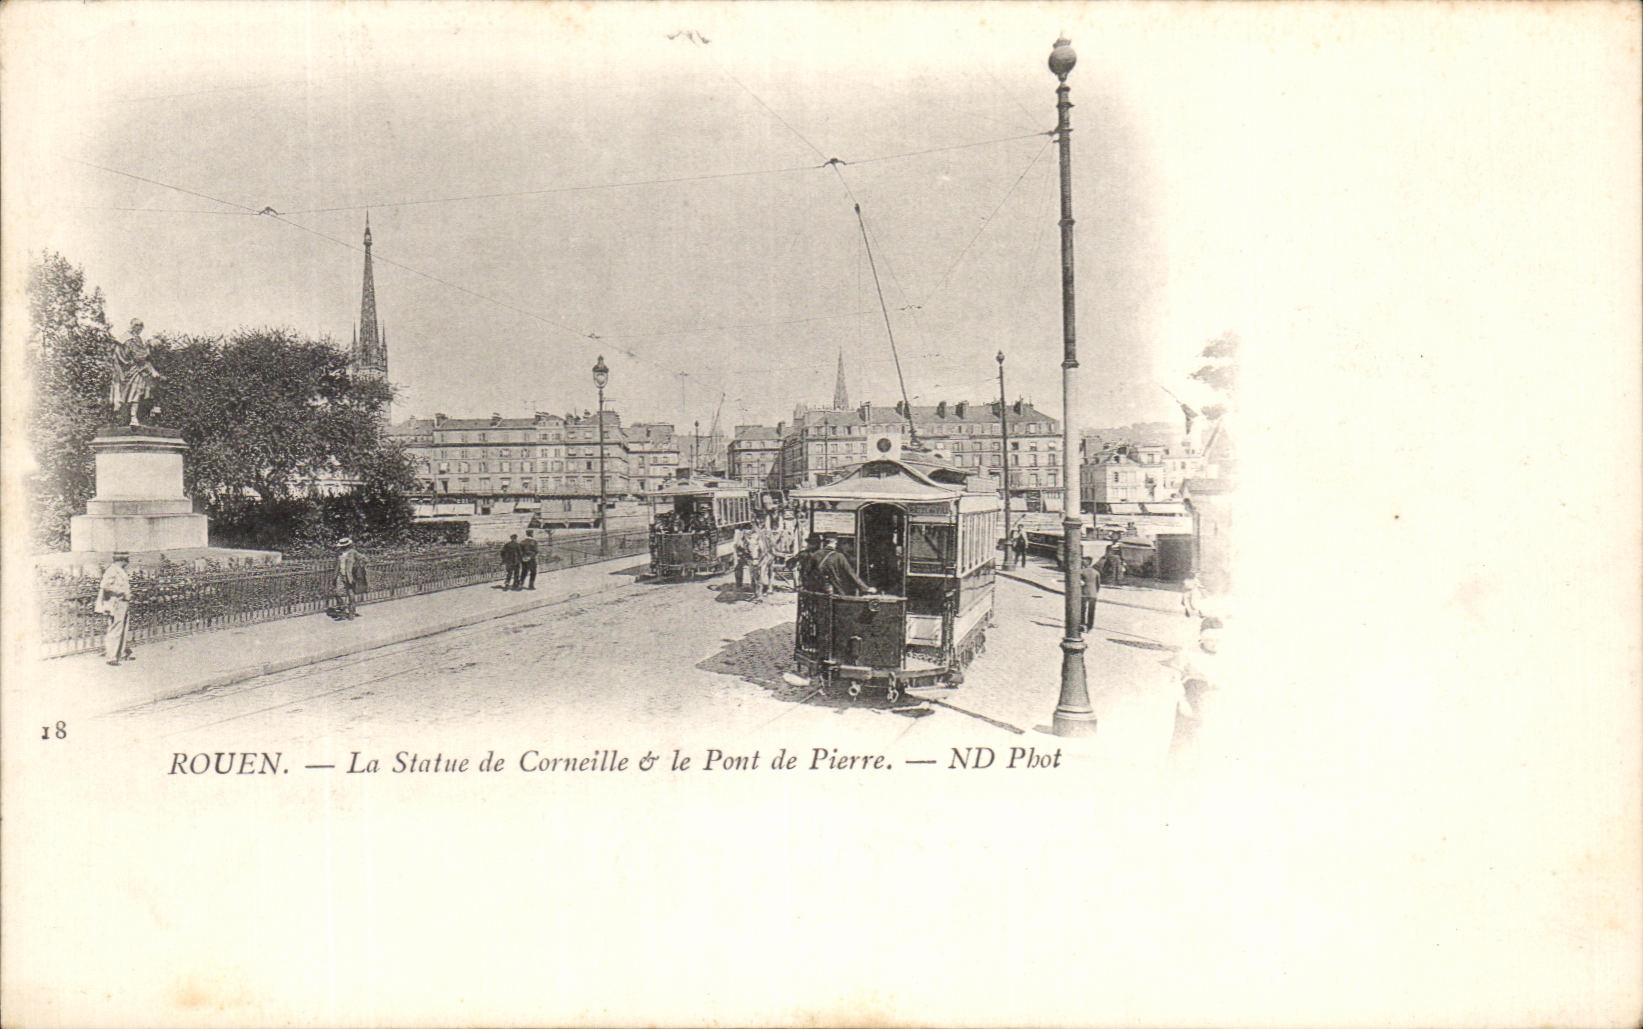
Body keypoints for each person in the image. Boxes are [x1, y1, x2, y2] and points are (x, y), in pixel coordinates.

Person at [108, 320, 166, 427]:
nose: (139, 328)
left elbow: (143, 357)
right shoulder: (126, 340)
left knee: (149, 387)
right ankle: (132, 417)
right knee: (135, 392)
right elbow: (133, 357)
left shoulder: (139, 340)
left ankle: (151, 411)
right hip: (130, 370)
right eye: (136, 326)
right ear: (132, 326)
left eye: (141, 326)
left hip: (139, 369)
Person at [95, 551, 135, 665]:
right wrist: (121, 591)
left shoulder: (120, 571)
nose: (128, 562)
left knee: (123, 628)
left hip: (123, 602)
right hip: (116, 602)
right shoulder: (112, 570)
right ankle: (111, 657)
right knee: (116, 628)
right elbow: (105, 585)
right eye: (126, 559)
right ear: (122, 560)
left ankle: (120, 653)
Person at [334, 538, 364, 619]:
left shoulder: (353, 552)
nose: (342, 547)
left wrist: (356, 567)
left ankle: (351, 612)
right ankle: (343, 609)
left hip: (350, 576)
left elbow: (363, 559)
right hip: (340, 575)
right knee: (337, 592)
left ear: (348, 545)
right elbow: (337, 564)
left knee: (351, 594)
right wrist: (335, 575)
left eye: (344, 546)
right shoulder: (339, 553)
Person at [1079, 554, 1101, 632]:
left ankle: (1082, 625)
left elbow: (1079, 583)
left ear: (1087, 562)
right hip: (1093, 594)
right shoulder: (1096, 572)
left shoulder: (1081, 572)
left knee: (1082, 610)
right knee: (1091, 611)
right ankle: (1090, 627)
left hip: (1083, 593)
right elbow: (1098, 585)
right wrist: (1095, 592)